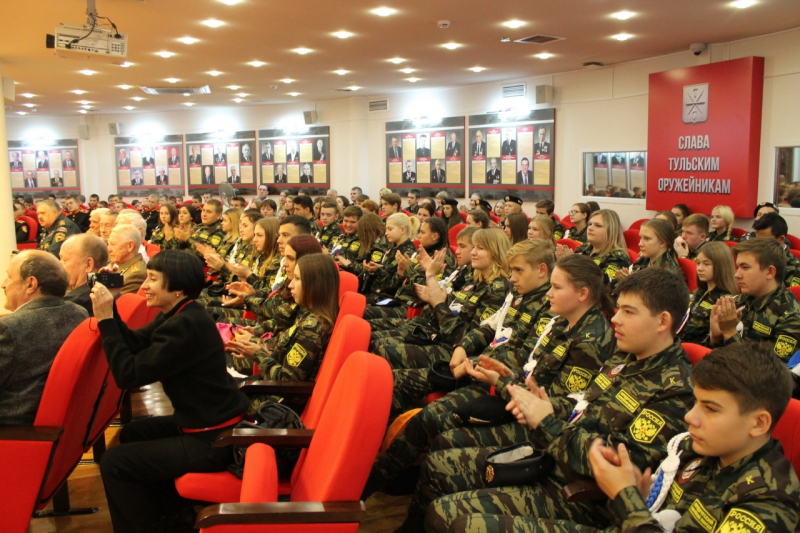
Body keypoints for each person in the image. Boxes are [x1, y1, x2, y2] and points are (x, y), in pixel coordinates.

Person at [424, 268, 695, 533]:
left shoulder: (676, 390)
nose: (615, 319)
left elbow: (615, 464)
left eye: (629, 312)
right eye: (619, 309)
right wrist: (532, 397)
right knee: (437, 466)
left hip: (582, 497)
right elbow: (582, 406)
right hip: (554, 455)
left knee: (447, 513)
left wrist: (546, 420)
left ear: (662, 321)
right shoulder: (626, 356)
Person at [92, 250, 249, 533]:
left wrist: (105, 321)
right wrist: (110, 306)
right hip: (204, 423)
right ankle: (169, 516)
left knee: (114, 463)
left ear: (177, 288)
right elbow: (136, 343)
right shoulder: (181, 312)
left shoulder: (184, 325)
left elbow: (128, 375)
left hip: (214, 439)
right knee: (133, 432)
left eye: (153, 279)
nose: (145, 285)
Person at [227, 254, 339, 413]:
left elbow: (286, 381)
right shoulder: (310, 315)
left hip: (273, 403)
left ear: (314, 285)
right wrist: (262, 350)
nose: (290, 285)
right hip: (267, 388)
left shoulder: (313, 327)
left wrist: (258, 354)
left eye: (297, 279)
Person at [0, 251, 88, 425]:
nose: (3, 284)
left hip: (15, 427)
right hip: (62, 421)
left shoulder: (10, 328)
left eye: (9, 277)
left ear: (31, 284)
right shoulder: (78, 313)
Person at [710, 238, 800, 361]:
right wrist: (716, 338)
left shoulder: (791, 317)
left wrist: (730, 332)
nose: (737, 275)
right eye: (738, 267)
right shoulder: (739, 301)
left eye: (745, 267)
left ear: (770, 272)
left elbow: (769, 370)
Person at [680, 241, 738, 346]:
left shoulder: (725, 301)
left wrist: (714, 338)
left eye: (706, 264)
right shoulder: (698, 292)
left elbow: (717, 345)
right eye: (698, 263)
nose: (699, 268)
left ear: (721, 266)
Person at [557, 209, 631, 281]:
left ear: (611, 230)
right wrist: (562, 263)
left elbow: (603, 282)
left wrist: (570, 265)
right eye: (590, 224)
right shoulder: (583, 248)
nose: (590, 228)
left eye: (598, 225)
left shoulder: (618, 256)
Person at [616, 218, 680, 282]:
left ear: (663, 243)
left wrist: (629, 282)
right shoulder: (643, 260)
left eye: (647, 239)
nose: (640, 244)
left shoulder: (667, 274)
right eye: (640, 238)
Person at [60, 233, 109, 315]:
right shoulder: (110, 290)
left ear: (88, 265)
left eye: (64, 260)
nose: (59, 265)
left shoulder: (74, 304)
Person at [752, 212, 800, 287]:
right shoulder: (752, 257)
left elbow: (790, 293)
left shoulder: (794, 268)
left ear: (781, 239)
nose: (759, 245)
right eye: (757, 240)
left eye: (764, 241)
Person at [107, 224, 147, 294]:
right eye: (108, 244)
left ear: (130, 246)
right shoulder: (119, 264)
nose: (108, 249)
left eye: (113, 244)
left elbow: (114, 299)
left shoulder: (135, 275)